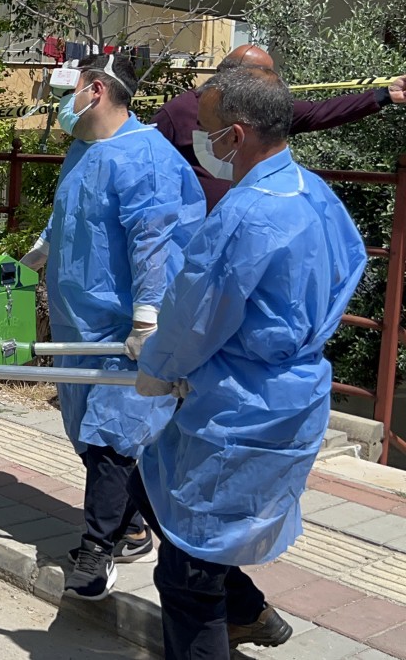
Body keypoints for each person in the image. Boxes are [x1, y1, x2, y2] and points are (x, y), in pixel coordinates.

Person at [133, 65, 367, 659]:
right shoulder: (314, 191)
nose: (199, 144)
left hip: (236, 407)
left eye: (205, 131)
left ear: (235, 136)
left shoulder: (243, 214)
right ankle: (251, 613)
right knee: (190, 532)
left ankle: (238, 617)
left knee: (188, 578)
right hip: (297, 391)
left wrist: (156, 365)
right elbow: (351, 265)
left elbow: (194, 315)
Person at [21, 54, 205, 601]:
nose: (60, 102)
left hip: (128, 326)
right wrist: (32, 257)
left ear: (95, 90)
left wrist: (147, 317)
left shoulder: (145, 155)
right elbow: (67, 216)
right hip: (80, 321)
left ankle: (95, 553)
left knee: (113, 438)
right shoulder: (83, 148)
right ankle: (132, 529)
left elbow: (150, 239)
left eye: (67, 89)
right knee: (95, 436)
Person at [152, 43, 406, 210]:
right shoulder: (178, 111)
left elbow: (321, 111)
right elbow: (148, 163)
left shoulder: (268, 109)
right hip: (197, 233)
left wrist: (384, 95)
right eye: (265, 76)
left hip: (257, 222)